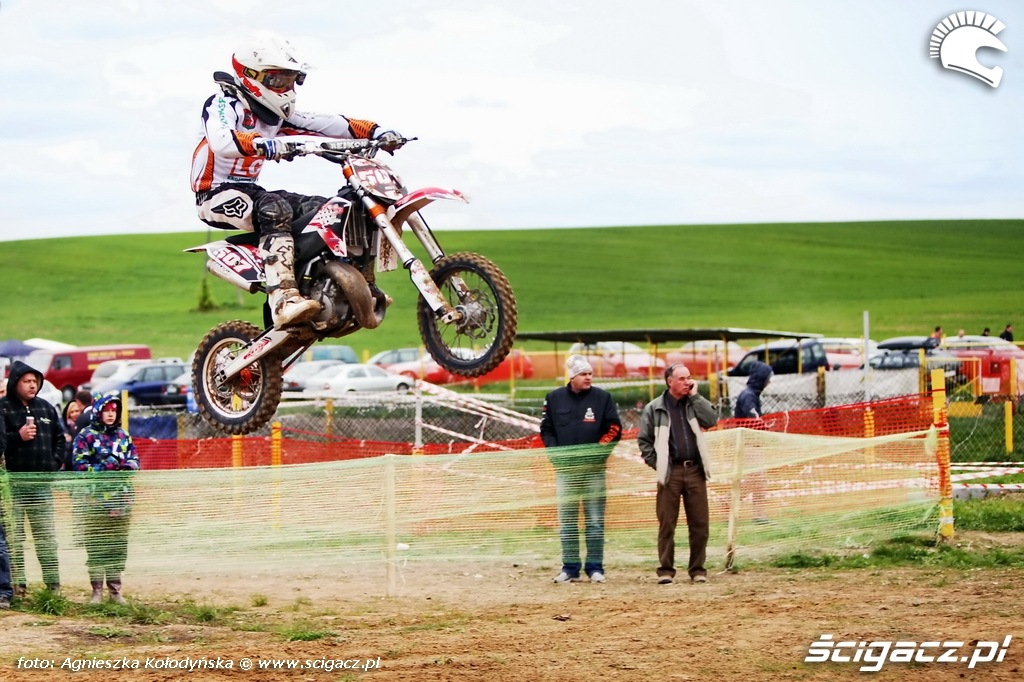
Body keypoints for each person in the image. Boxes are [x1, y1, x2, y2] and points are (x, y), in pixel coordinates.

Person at [191, 32, 402, 329]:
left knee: (331, 209)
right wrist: (263, 144)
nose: (286, 87)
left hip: (252, 191)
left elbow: (328, 123)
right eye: (277, 79)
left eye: (291, 79)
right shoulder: (224, 104)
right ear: (250, 75)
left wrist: (377, 132)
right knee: (274, 208)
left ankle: (351, 285)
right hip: (215, 194)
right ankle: (283, 297)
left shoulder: (275, 115)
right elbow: (222, 140)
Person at [540, 355, 622, 584]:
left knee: (595, 521)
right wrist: (556, 454)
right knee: (567, 522)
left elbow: (615, 429)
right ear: (572, 377)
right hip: (566, 471)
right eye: (583, 374)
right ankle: (570, 568)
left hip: (594, 471)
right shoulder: (554, 398)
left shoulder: (603, 398)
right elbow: (546, 430)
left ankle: (595, 568)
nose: (588, 378)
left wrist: (598, 453)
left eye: (590, 374)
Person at [638, 363, 718, 585]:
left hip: (695, 471)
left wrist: (696, 396)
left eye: (689, 378)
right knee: (667, 523)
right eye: (682, 379)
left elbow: (711, 420)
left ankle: (698, 570)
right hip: (670, 472)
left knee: (700, 524)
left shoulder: (693, 403)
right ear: (669, 381)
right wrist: (659, 465)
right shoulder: (655, 408)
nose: (687, 382)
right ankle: (665, 570)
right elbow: (644, 441)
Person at [0, 361, 64, 596]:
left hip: (41, 486)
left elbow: (60, 438)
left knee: (46, 537)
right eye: (27, 381)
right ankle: (18, 587)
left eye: (35, 381)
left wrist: (54, 463)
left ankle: (53, 588)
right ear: (15, 383)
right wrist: (18, 436)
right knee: (14, 539)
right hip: (13, 486)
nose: (32, 385)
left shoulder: (47, 408)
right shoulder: (3, 408)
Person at [71, 393, 140, 604]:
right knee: (96, 545)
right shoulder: (85, 436)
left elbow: (135, 458)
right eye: (107, 410)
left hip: (121, 500)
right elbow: (79, 466)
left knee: (118, 545)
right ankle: (97, 590)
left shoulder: (123, 435)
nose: (111, 414)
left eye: (114, 411)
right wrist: (105, 467)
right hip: (95, 500)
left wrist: (129, 466)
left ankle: (115, 590)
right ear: (98, 411)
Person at [733, 361, 773, 524]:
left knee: (756, 481)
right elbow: (754, 419)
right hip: (749, 445)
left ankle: (758, 515)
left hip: (751, 444)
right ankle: (757, 515)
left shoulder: (751, 395)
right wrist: (767, 427)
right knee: (757, 481)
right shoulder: (748, 396)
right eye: (768, 378)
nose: (769, 382)